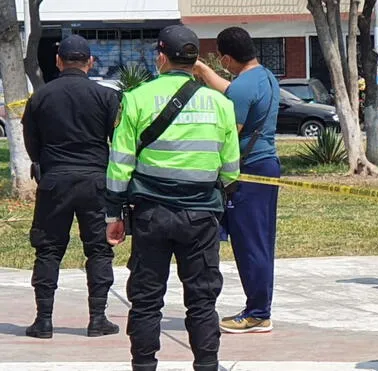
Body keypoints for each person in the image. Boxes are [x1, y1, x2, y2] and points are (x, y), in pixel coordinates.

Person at [104, 25, 240, 371]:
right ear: (195, 60)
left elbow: (120, 163)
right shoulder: (221, 103)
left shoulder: (136, 98)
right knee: (202, 300)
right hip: (201, 217)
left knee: (147, 300)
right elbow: (231, 169)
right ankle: (207, 364)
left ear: (161, 56)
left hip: (151, 214)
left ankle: (144, 365)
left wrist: (113, 214)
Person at [21, 34, 120, 339]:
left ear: (58, 62)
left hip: (55, 182)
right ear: (90, 62)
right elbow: (117, 143)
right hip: (95, 182)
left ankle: (44, 320)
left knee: (48, 250)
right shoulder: (107, 97)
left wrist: (46, 165)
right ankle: (98, 318)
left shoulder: (39, 97)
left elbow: (31, 144)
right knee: (99, 251)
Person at [192, 26, 280, 334]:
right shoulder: (263, 76)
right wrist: (202, 70)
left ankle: (258, 313)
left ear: (227, 58)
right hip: (267, 166)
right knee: (260, 239)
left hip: (249, 172)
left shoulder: (243, 87)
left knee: (250, 243)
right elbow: (230, 89)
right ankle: (259, 308)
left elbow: (232, 134)